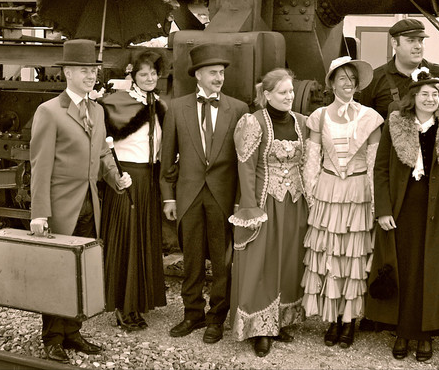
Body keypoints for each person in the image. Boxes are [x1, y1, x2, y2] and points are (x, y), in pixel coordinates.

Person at [29, 39, 133, 363]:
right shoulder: (48, 112)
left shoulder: (97, 111)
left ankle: (72, 332)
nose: (91, 76)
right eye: (85, 70)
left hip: (91, 203)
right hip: (61, 207)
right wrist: (39, 214)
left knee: (81, 271)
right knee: (56, 273)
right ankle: (53, 338)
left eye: (94, 70)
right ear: (68, 73)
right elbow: (40, 166)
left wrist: (116, 177)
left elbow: (102, 152)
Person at [366, 66, 439, 362]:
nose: (430, 99)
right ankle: (402, 331)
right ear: (413, 97)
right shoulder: (396, 123)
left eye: (435, 94)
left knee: (431, 270)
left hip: (436, 208)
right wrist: (383, 210)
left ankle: (425, 334)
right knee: (406, 267)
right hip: (403, 206)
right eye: (424, 94)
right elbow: (381, 169)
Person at [160, 43, 249, 345]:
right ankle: (192, 313)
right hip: (188, 194)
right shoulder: (176, 107)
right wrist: (169, 197)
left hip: (223, 197)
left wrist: (240, 200)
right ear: (198, 75)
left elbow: (243, 162)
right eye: (213, 72)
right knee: (192, 259)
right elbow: (167, 156)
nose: (219, 78)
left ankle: (217, 319)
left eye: (221, 73)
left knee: (223, 263)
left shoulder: (238, 109)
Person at [301, 55, 384, 349]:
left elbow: (375, 162)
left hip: (358, 190)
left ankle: (349, 321)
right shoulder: (319, 116)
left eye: (352, 79)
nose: (348, 83)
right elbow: (312, 159)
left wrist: (376, 200)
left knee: (353, 257)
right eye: (342, 78)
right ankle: (332, 319)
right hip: (328, 190)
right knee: (329, 255)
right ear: (332, 83)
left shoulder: (370, 117)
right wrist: (312, 194)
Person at [229, 68, 309, 357]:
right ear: (266, 95)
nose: (288, 97)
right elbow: (246, 167)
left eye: (290, 91)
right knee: (261, 263)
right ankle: (258, 328)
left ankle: (280, 321)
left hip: (295, 203)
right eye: (282, 92)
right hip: (264, 203)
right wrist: (250, 207)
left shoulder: (302, 122)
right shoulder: (254, 122)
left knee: (289, 261)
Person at [98, 50, 168, 331]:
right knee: (126, 240)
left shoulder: (158, 104)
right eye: (143, 74)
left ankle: (138, 301)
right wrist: (115, 176)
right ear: (133, 76)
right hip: (126, 177)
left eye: (153, 73)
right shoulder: (116, 102)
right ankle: (122, 307)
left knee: (144, 239)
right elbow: (102, 143)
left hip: (149, 180)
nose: (149, 78)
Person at [357, 18, 439, 120]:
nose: (418, 46)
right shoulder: (375, 79)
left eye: (421, 40)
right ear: (394, 43)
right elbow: (364, 125)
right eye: (411, 40)